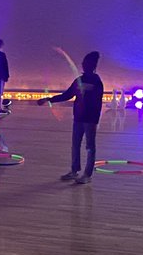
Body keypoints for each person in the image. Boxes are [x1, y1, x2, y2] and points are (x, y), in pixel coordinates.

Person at [38, 51, 105, 184]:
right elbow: (67, 95)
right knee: (75, 145)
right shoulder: (79, 81)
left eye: (86, 64)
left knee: (90, 146)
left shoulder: (96, 81)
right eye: (83, 64)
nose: (84, 66)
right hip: (79, 118)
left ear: (92, 66)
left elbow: (97, 102)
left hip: (90, 119)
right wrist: (48, 99)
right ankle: (74, 171)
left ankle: (87, 174)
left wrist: (94, 118)